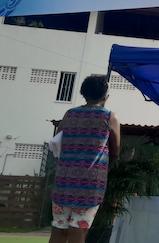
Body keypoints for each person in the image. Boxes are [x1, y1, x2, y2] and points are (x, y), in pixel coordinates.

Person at [49, 75, 121, 243]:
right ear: (106, 97)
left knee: (58, 231)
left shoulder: (69, 114)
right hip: (90, 185)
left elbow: (58, 141)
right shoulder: (110, 117)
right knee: (78, 233)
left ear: (82, 92)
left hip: (63, 182)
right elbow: (116, 151)